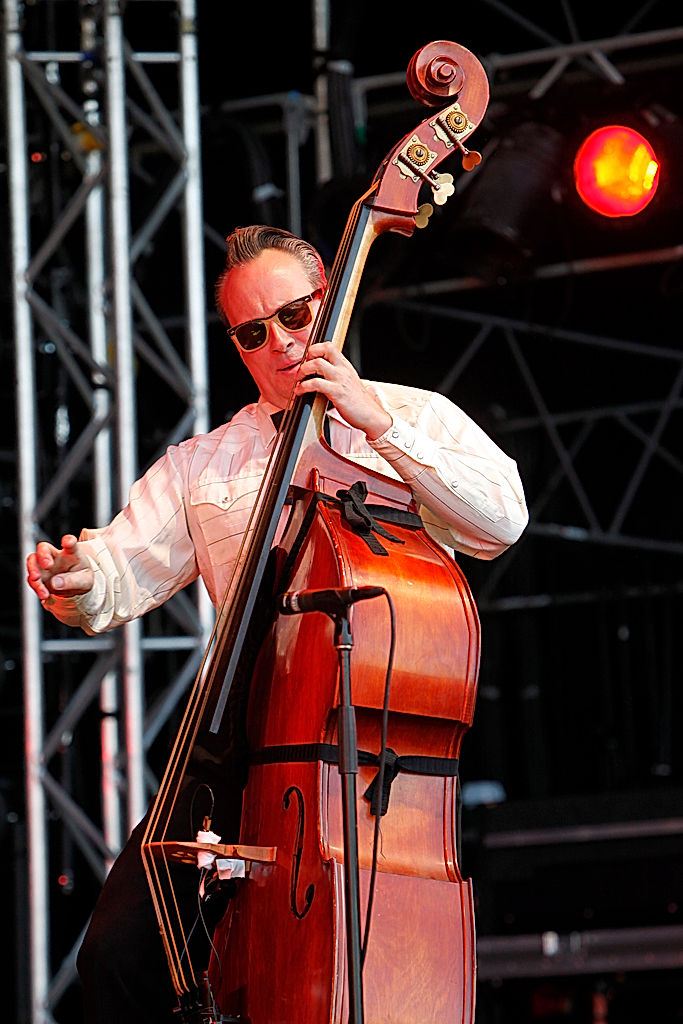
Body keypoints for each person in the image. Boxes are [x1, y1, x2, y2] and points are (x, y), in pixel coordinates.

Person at [26, 224, 529, 1023]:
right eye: (253, 334)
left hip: (374, 761)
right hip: (243, 747)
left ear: (327, 294)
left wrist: (377, 424)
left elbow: (499, 521)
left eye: (294, 316)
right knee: (118, 954)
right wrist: (76, 578)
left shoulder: (410, 415)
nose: (281, 344)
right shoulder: (205, 463)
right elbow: (116, 576)